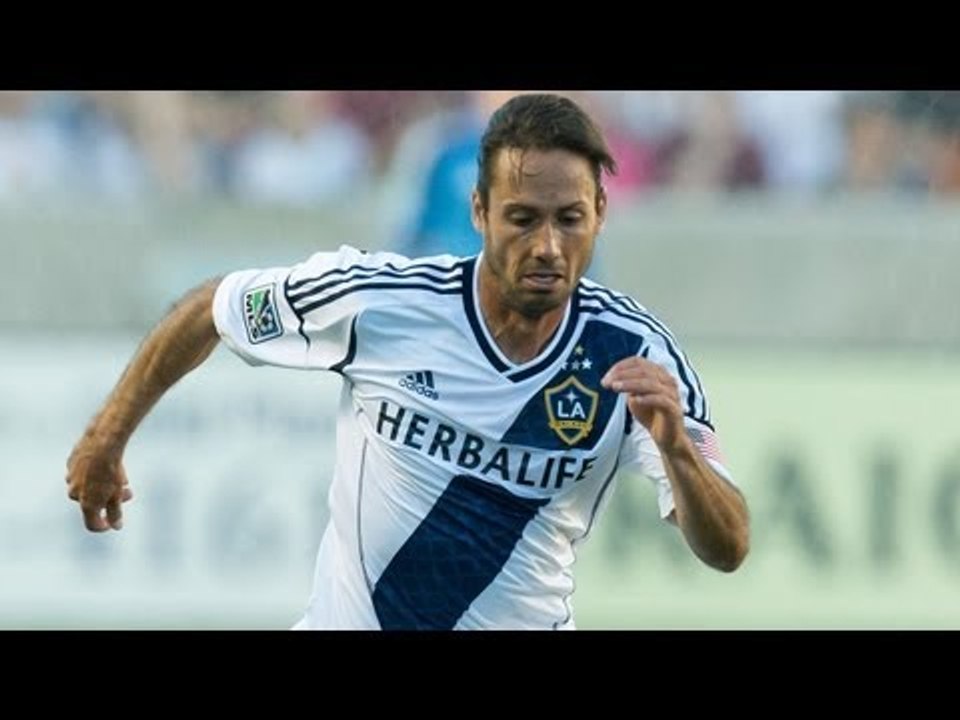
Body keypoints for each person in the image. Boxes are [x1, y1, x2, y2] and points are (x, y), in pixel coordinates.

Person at [65, 93, 750, 630]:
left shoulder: (634, 353)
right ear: (478, 211)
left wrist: (678, 454)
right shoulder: (382, 302)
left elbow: (730, 546)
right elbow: (212, 308)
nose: (547, 245)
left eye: (569, 219)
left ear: (601, 213)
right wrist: (106, 438)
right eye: (522, 218)